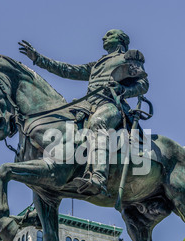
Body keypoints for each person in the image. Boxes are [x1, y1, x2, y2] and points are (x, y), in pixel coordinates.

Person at [19, 29, 149, 196]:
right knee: (60, 126)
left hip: (111, 105)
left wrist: (122, 89)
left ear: (121, 40)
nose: (104, 37)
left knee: (98, 123)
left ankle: (99, 177)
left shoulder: (129, 58)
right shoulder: (97, 65)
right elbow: (67, 70)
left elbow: (143, 85)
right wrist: (38, 59)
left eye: (109, 35)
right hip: (87, 106)